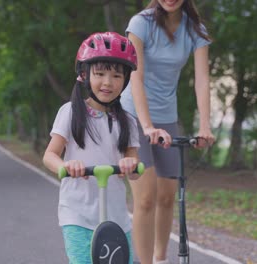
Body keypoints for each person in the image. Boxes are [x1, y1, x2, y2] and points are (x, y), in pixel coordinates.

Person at [120, 1, 215, 263]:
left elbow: (202, 79)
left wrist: (205, 125)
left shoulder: (195, 29)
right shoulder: (141, 24)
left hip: (167, 117)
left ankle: (161, 259)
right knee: (147, 198)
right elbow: (134, 77)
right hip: (133, 115)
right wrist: (147, 125)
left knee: (166, 196)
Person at [43, 32, 140, 264]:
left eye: (116, 75)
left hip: (117, 217)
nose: (108, 82)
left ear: (125, 80)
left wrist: (130, 164)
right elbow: (50, 155)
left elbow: (135, 171)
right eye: (100, 74)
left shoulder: (128, 121)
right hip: (78, 215)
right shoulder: (70, 112)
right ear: (84, 75)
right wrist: (65, 165)